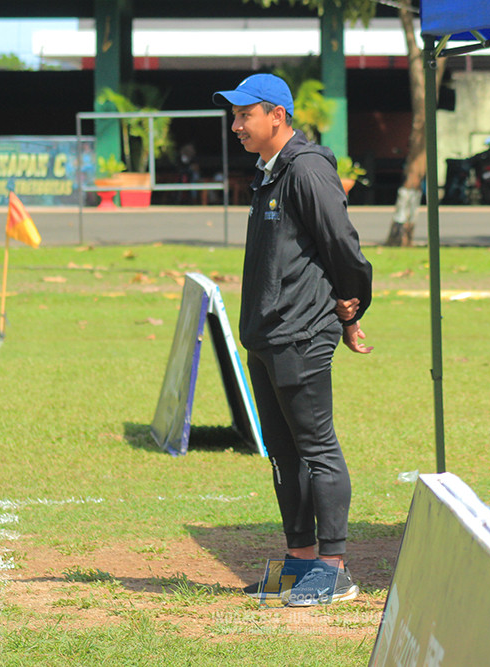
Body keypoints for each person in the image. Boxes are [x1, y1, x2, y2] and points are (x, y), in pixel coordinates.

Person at [212, 73, 373, 605]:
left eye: (244, 115)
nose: (236, 126)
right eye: (234, 117)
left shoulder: (306, 170)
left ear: (276, 115)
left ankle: (335, 568)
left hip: (301, 332)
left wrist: (352, 305)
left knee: (316, 448)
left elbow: (342, 246)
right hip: (265, 337)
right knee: (283, 453)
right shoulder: (268, 172)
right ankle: (301, 559)